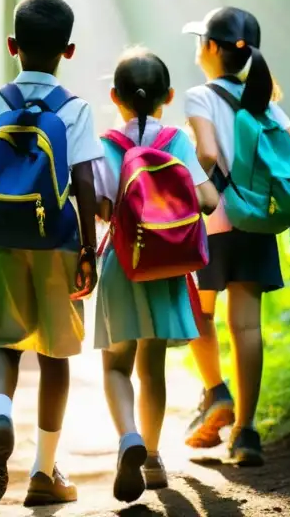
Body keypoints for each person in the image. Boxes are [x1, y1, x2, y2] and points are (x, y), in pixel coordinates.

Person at [0, 0, 100, 507]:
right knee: (56, 354)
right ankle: (44, 471)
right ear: (70, 50)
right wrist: (88, 250)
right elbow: (83, 179)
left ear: (12, 45)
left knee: (4, 344)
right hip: (58, 241)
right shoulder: (77, 109)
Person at [180, 7, 290, 467]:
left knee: (199, 311)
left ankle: (216, 391)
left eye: (201, 40)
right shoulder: (266, 101)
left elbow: (206, 151)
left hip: (215, 220)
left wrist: (201, 183)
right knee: (246, 327)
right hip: (258, 224)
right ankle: (246, 433)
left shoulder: (200, 96)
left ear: (213, 48)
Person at [91, 48, 219, 502]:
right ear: (168, 95)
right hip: (166, 268)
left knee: (116, 365)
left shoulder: (104, 144)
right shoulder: (177, 141)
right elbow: (206, 203)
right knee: (153, 367)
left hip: (122, 265)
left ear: (114, 96)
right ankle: (152, 457)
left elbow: (101, 208)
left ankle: (127, 438)